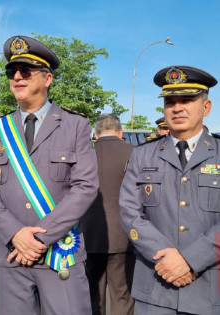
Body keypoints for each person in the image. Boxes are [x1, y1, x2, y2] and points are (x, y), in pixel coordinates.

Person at [0, 35, 98, 315]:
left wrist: (40, 239)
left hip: (60, 255)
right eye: (11, 72)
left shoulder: (75, 125)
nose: (17, 76)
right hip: (12, 254)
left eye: (25, 71)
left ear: (47, 79)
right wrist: (15, 233)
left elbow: (86, 187)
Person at [120, 65, 220, 314]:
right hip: (155, 283)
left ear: (206, 107)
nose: (177, 107)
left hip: (211, 284)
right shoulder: (142, 154)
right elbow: (129, 213)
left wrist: (188, 260)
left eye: (187, 100)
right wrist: (166, 259)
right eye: (170, 101)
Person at [82, 114, 135, 315]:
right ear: (121, 132)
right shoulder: (134, 152)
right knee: (122, 294)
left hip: (88, 235)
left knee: (93, 293)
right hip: (124, 235)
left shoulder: (83, 155)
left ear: (95, 134)